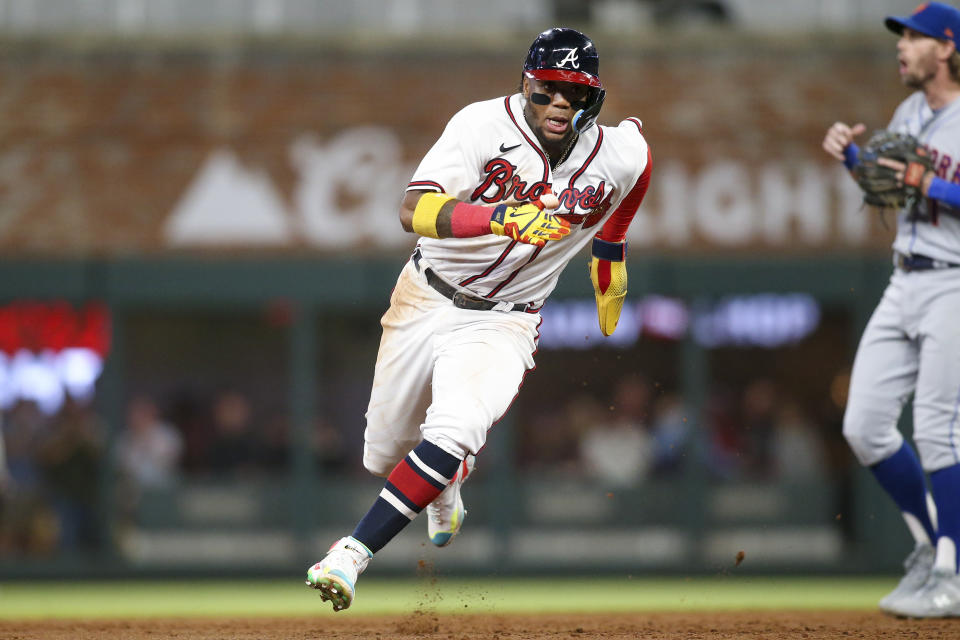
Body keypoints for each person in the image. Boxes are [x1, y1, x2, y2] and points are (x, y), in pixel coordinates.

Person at [305, 27, 652, 611]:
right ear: (525, 84)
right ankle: (446, 484)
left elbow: (634, 181)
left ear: (595, 97)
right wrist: (499, 218)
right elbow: (412, 208)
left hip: (506, 321)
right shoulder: (479, 126)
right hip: (428, 296)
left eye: (572, 91)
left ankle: (349, 554)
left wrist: (611, 255)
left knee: (455, 429)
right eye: (545, 90)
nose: (557, 103)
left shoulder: (620, 152)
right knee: (385, 455)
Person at [822, 2, 960, 618]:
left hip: (954, 282)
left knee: (936, 431)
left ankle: (954, 578)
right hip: (905, 277)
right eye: (901, 37)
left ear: (948, 47)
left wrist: (927, 183)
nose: (902, 46)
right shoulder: (909, 112)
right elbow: (890, 186)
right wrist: (855, 159)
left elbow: (922, 186)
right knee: (865, 424)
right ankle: (935, 551)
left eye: (915, 38)